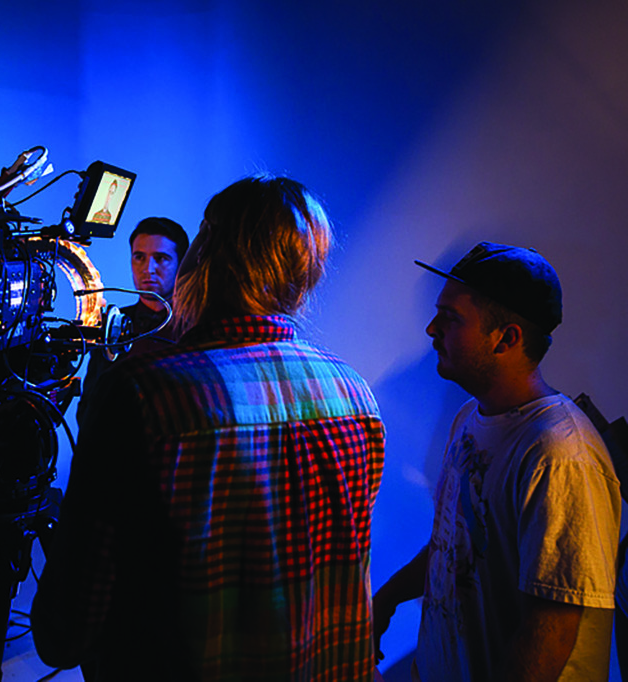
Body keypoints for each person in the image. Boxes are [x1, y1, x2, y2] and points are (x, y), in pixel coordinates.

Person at [32, 174, 385, 680]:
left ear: (201, 259)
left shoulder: (145, 393)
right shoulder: (357, 396)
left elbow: (65, 631)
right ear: (307, 273)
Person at [373, 243, 620, 681]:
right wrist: (389, 596)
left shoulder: (561, 455)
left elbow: (553, 625)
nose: (432, 329)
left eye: (450, 318)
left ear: (506, 338)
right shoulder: (470, 418)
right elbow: (456, 546)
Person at [75, 216, 188, 426]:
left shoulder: (195, 326)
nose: (148, 269)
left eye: (161, 258)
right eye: (139, 257)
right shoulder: (111, 325)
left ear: (181, 263)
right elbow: (89, 406)